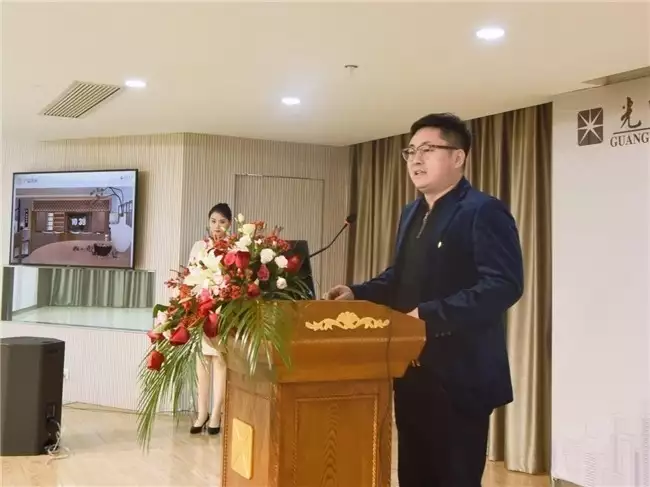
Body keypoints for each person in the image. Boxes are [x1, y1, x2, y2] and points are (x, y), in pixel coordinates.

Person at [325, 113, 524, 487]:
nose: (415, 159)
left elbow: (503, 285)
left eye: (428, 149)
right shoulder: (411, 212)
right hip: (412, 371)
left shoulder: (483, 210)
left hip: (460, 379)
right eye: (411, 151)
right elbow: (400, 277)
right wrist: (358, 293)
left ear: (458, 157)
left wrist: (428, 315)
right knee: (414, 476)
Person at [188, 202, 232, 435]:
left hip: (223, 313)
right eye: (213, 221)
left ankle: (216, 414)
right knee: (202, 362)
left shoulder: (235, 248)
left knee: (219, 361)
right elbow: (190, 276)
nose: (217, 226)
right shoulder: (199, 246)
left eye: (222, 222)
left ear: (229, 224)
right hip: (202, 311)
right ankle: (202, 412)